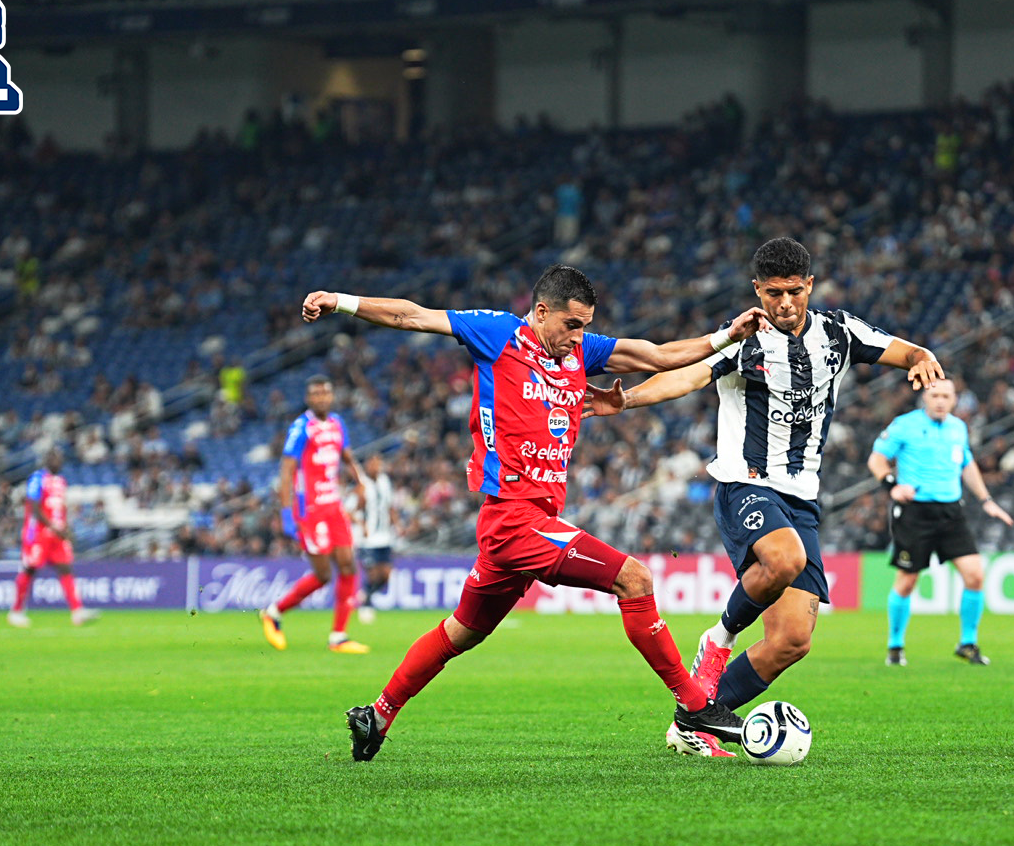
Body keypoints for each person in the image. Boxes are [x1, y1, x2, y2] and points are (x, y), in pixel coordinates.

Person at [301, 264, 768, 761]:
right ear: (542, 312)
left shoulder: (581, 353)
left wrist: (724, 336)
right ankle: (695, 707)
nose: (579, 336)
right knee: (635, 580)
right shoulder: (499, 333)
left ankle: (378, 714)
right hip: (513, 520)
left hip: (526, 526)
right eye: (572, 324)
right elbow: (411, 316)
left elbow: (656, 354)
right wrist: (341, 301)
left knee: (461, 632)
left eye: (585, 325)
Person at [595, 237, 946, 757]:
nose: (785, 303)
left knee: (791, 642)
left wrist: (923, 357)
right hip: (746, 483)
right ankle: (716, 640)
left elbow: (903, 350)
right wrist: (628, 399)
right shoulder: (745, 339)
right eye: (775, 293)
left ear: (810, 285)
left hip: (802, 498)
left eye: (795, 291)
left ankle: (694, 720)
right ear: (757, 289)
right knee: (784, 559)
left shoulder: (839, 332)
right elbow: (687, 376)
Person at [867, 377, 1014, 667]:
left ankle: (967, 643)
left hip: (951, 511)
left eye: (946, 396)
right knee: (907, 581)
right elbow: (876, 459)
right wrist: (891, 485)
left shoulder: (958, 427)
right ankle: (895, 647)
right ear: (925, 396)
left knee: (975, 576)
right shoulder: (904, 424)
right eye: (935, 395)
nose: (940, 401)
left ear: (955, 399)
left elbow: (967, 464)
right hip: (915, 512)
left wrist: (986, 501)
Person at [259, 375, 370, 654]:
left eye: (325, 393)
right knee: (322, 575)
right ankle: (273, 612)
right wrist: (286, 513)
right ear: (309, 398)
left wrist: (359, 482)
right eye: (315, 394)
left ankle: (338, 636)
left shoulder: (337, 424)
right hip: (309, 510)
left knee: (348, 565)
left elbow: (347, 456)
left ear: (331, 396)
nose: (321, 398)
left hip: (333, 506)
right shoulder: (300, 428)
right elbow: (286, 471)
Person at [8, 447, 96, 628]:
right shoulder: (37, 478)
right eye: (54, 458)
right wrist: (53, 527)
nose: (58, 461)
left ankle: (77, 611)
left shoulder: (61, 481)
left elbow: (60, 509)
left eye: (60, 458)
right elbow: (33, 508)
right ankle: (16, 611)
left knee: (65, 569)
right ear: (47, 460)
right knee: (30, 569)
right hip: (38, 534)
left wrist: (65, 528)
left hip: (57, 534)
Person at [354, 452, 398, 624]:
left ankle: (365, 594)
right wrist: (362, 524)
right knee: (372, 575)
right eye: (373, 463)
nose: (376, 466)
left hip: (385, 537)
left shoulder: (385, 482)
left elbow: (389, 506)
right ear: (367, 466)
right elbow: (352, 510)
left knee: (386, 575)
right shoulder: (362, 485)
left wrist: (397, 523)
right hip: (368, 539)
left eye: (378, 463)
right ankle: (366, 604)